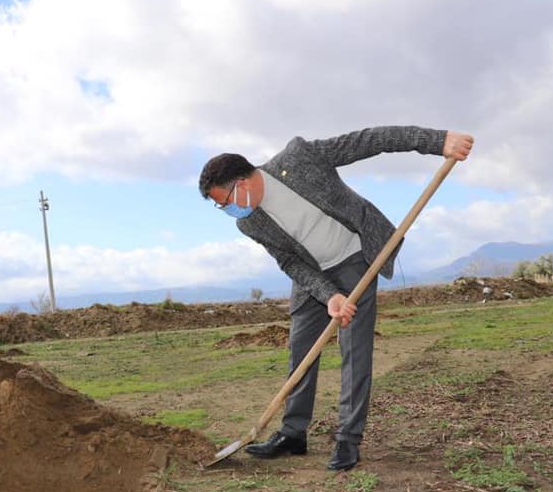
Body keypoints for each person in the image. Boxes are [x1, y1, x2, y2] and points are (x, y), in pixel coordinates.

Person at [199, 126, 473, 471]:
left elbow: (371, 141)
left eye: (225, 202)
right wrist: (329, 295)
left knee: (354, 349)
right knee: (301, 350)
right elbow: (289, 261)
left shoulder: (299, 158)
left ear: (242, 183)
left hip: (355, 258)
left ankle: (348, 438)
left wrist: (437, 142)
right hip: (314, 275)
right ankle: (293, 433)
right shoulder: (250, 224)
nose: (228, 211)